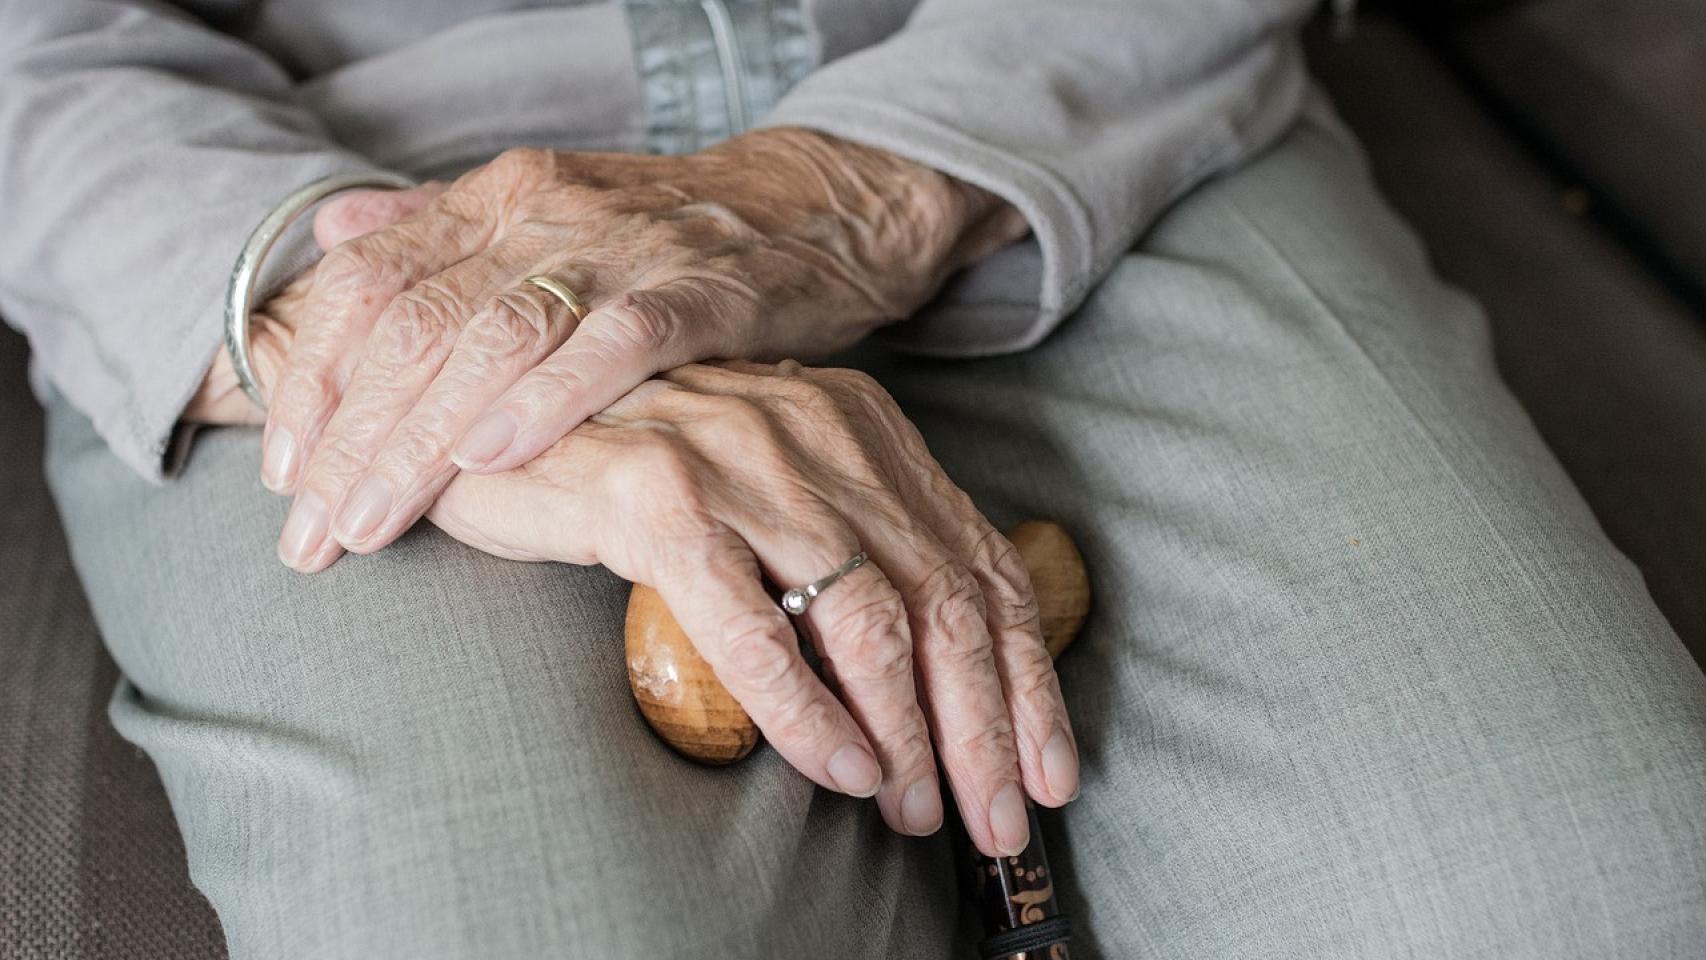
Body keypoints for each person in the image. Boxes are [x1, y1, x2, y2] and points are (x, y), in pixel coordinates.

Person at [4, 1, 1704, 957]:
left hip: (1068, 94)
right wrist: (386, 325)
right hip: (309, 191)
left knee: (1582, 903)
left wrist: (844, 188)